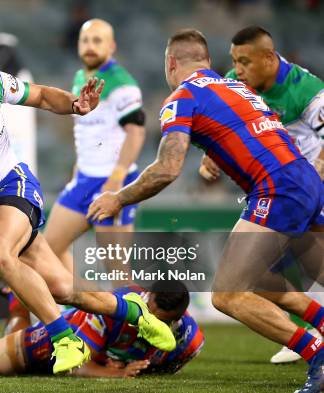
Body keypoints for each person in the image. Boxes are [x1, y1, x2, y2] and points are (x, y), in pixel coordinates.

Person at [0, 29, 175, 374]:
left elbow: (39, 95)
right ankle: (134, 312)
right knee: (64, 291)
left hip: (14, 185)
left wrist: (74, 104)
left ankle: (64, 338)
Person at [86, 29, 324, 392]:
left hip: (278, 188)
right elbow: (242, 130)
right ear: (209, 62)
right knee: (261, 280)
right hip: (306, 179)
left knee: (228, 294)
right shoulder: (235, 86)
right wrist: (216, 155)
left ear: (170, 63)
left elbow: (167, 168)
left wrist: (118, 198)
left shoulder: (182, 98)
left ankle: (318, 355)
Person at [199, 25, 324, 364]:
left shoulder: (307, 89)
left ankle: (308, 339)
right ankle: (307, 330)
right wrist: (211, 157)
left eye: (244, 62)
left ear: (269, 58)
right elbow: (226, 128)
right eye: (233, 61)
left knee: (243, 278)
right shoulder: (235, 84)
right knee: (255, 273)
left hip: (305, 189)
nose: (237, 70)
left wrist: (313, 181)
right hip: (281, 190)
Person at [0, 254, 203, 377]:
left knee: (14, 346)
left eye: (160, 321)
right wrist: (114, 375)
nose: (149, 324)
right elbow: (77, 366)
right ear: (146, 297)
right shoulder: (115, 311)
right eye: (148, 315)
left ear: (177, 321)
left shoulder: (189, 341)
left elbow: (159, 369)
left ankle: (13, 294)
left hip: (97, 350)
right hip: (65, 338)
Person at [45, 19, 146, 272]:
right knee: (47, 252)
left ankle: (137, 311)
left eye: (97, 40)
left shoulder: (121, 82)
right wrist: (78, 170)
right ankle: (75, 308)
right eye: (86, 40)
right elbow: (88, 130)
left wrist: (116, 178)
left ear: (111, 46)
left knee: (117, 270)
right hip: (84, 180)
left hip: (114, 183)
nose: (90, 46)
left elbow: (136, 133)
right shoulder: (81, 77)